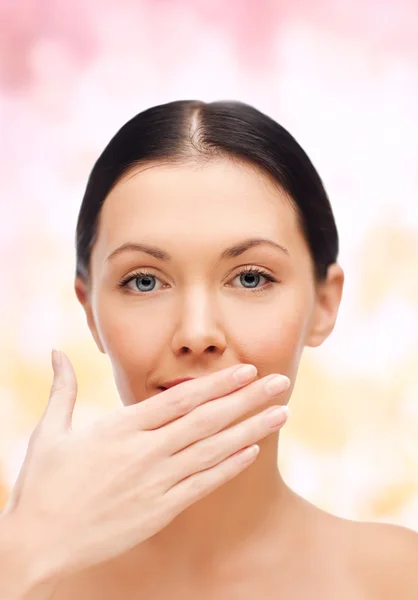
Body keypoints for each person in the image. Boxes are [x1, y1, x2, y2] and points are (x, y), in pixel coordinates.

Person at [0, 100, 417, 600]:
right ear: (90, 310)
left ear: (324, 304)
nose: (197, 334)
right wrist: (23, 555)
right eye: (145, 281)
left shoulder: (399, 577)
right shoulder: (22, 565)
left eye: (250, 277)